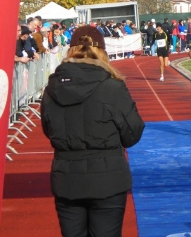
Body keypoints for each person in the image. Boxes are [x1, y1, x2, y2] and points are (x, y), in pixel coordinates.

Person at [40, 25, 145, 237]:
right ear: (102, 52)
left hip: (67, 178)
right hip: (108, 179)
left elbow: (49, 129)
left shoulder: (52, 89)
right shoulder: (112, 87)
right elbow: (132, 132)